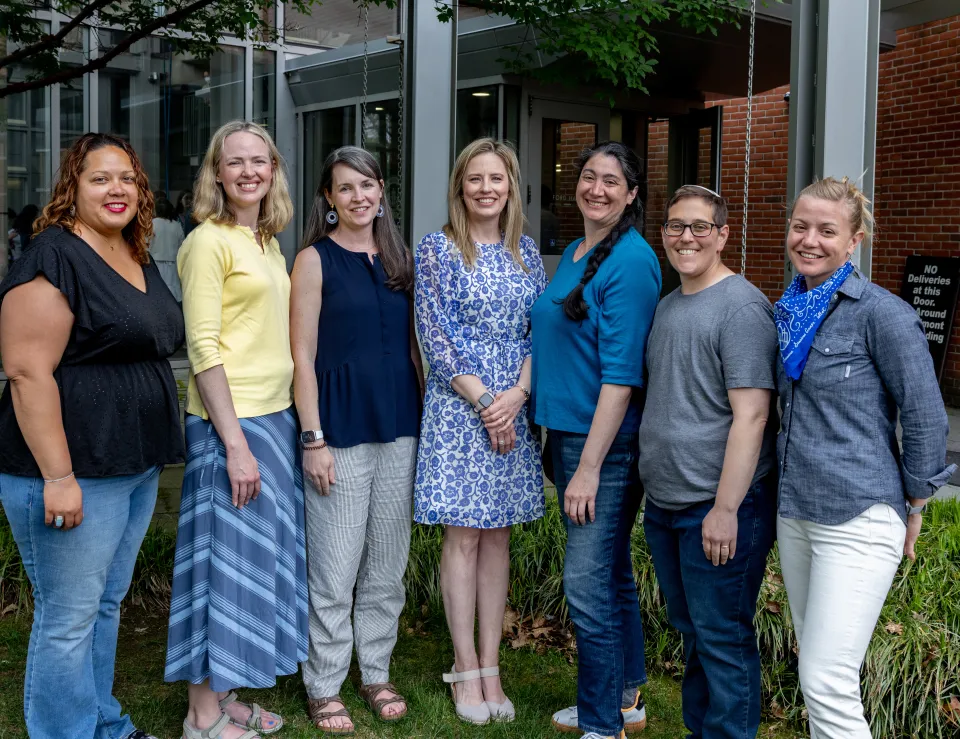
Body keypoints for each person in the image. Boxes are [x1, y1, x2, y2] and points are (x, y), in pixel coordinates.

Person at [0, 132, 184, 739]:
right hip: (71, 471)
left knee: (105, 605)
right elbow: (27, 372)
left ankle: (102, 723)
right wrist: (58, 476)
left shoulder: (134, 253)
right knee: (69, 617)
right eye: (100, 178)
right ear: (72, 187)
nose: (116, 189)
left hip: (131, 465)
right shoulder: (53, 255)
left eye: (127, 178)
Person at [774, 177, 956, 738]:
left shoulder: (884, 313)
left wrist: (917, 502)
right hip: (796, 511)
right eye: (801, 226)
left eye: (827, 230)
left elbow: (926, 415)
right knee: (816, 670)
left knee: (827, 680)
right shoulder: (790, 308)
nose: (810, 240)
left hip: (859, 515)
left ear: (853, 242)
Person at [164, 121, 306, 739]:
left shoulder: (267, 241)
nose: (249, 171)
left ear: (273, 170)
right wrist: (235, 445)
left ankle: (228, 694)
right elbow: (203, 348)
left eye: (260, 161)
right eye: (235, 162)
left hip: (273, 417)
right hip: (232, 425)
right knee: (219, 568)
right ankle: (201, 714)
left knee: (251, 563)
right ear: (216, 174)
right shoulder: (207, 242)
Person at [414, 138, 547, 726]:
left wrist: (517, 397)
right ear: (460, 186)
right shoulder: (438, 249)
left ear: (510, 186)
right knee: (463, 537)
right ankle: (464, 666)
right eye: (475, 179)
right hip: (459, 409)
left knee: (499, 539)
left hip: (513, 410)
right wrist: (486, 402)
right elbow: (432, 333)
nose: (486, 188)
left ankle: (492, 665)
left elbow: (540, 332)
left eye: (497, 179)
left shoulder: (528, 253)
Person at [291, 146, 423, 733]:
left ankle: (375, 671)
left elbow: (418, 347)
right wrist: (312, 437)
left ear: (381, 193)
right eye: (346, 188)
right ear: (329, 198)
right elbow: (302, 354)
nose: (359, 197)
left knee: (385, 567)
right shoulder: (314, 261)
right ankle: (323, 682)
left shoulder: (401, 259)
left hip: (401, 428)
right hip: (339, 432)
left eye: (367, 186)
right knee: (336, 567)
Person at [531, 141, 661, 739]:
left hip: (602, 446)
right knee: (608, 572)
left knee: (585, 582)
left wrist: (588, 467)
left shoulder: (630, 262)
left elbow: (621, 376)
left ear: (632, 195)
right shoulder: (581, 251)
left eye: (612, 181)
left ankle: (601, 723)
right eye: (588, 177)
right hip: (568, 435)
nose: (597, 189)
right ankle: (625, 698)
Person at [638, 185, 778, 739]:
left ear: (723, 235)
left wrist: (726, 509)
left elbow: (752, 417)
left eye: (699, 227)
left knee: (722, 637)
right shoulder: (670, 306)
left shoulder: (742, 308)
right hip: (668, 504)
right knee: (695, 631)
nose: (686, 237)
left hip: (717, 509)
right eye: (675, 226)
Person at [150, 196, 185, 301]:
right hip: (173, 264)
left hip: (155, 264)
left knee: (157, 293)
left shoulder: (151, 224)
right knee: (174, 293)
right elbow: (182, 246)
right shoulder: (176, 225)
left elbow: (145, 245)